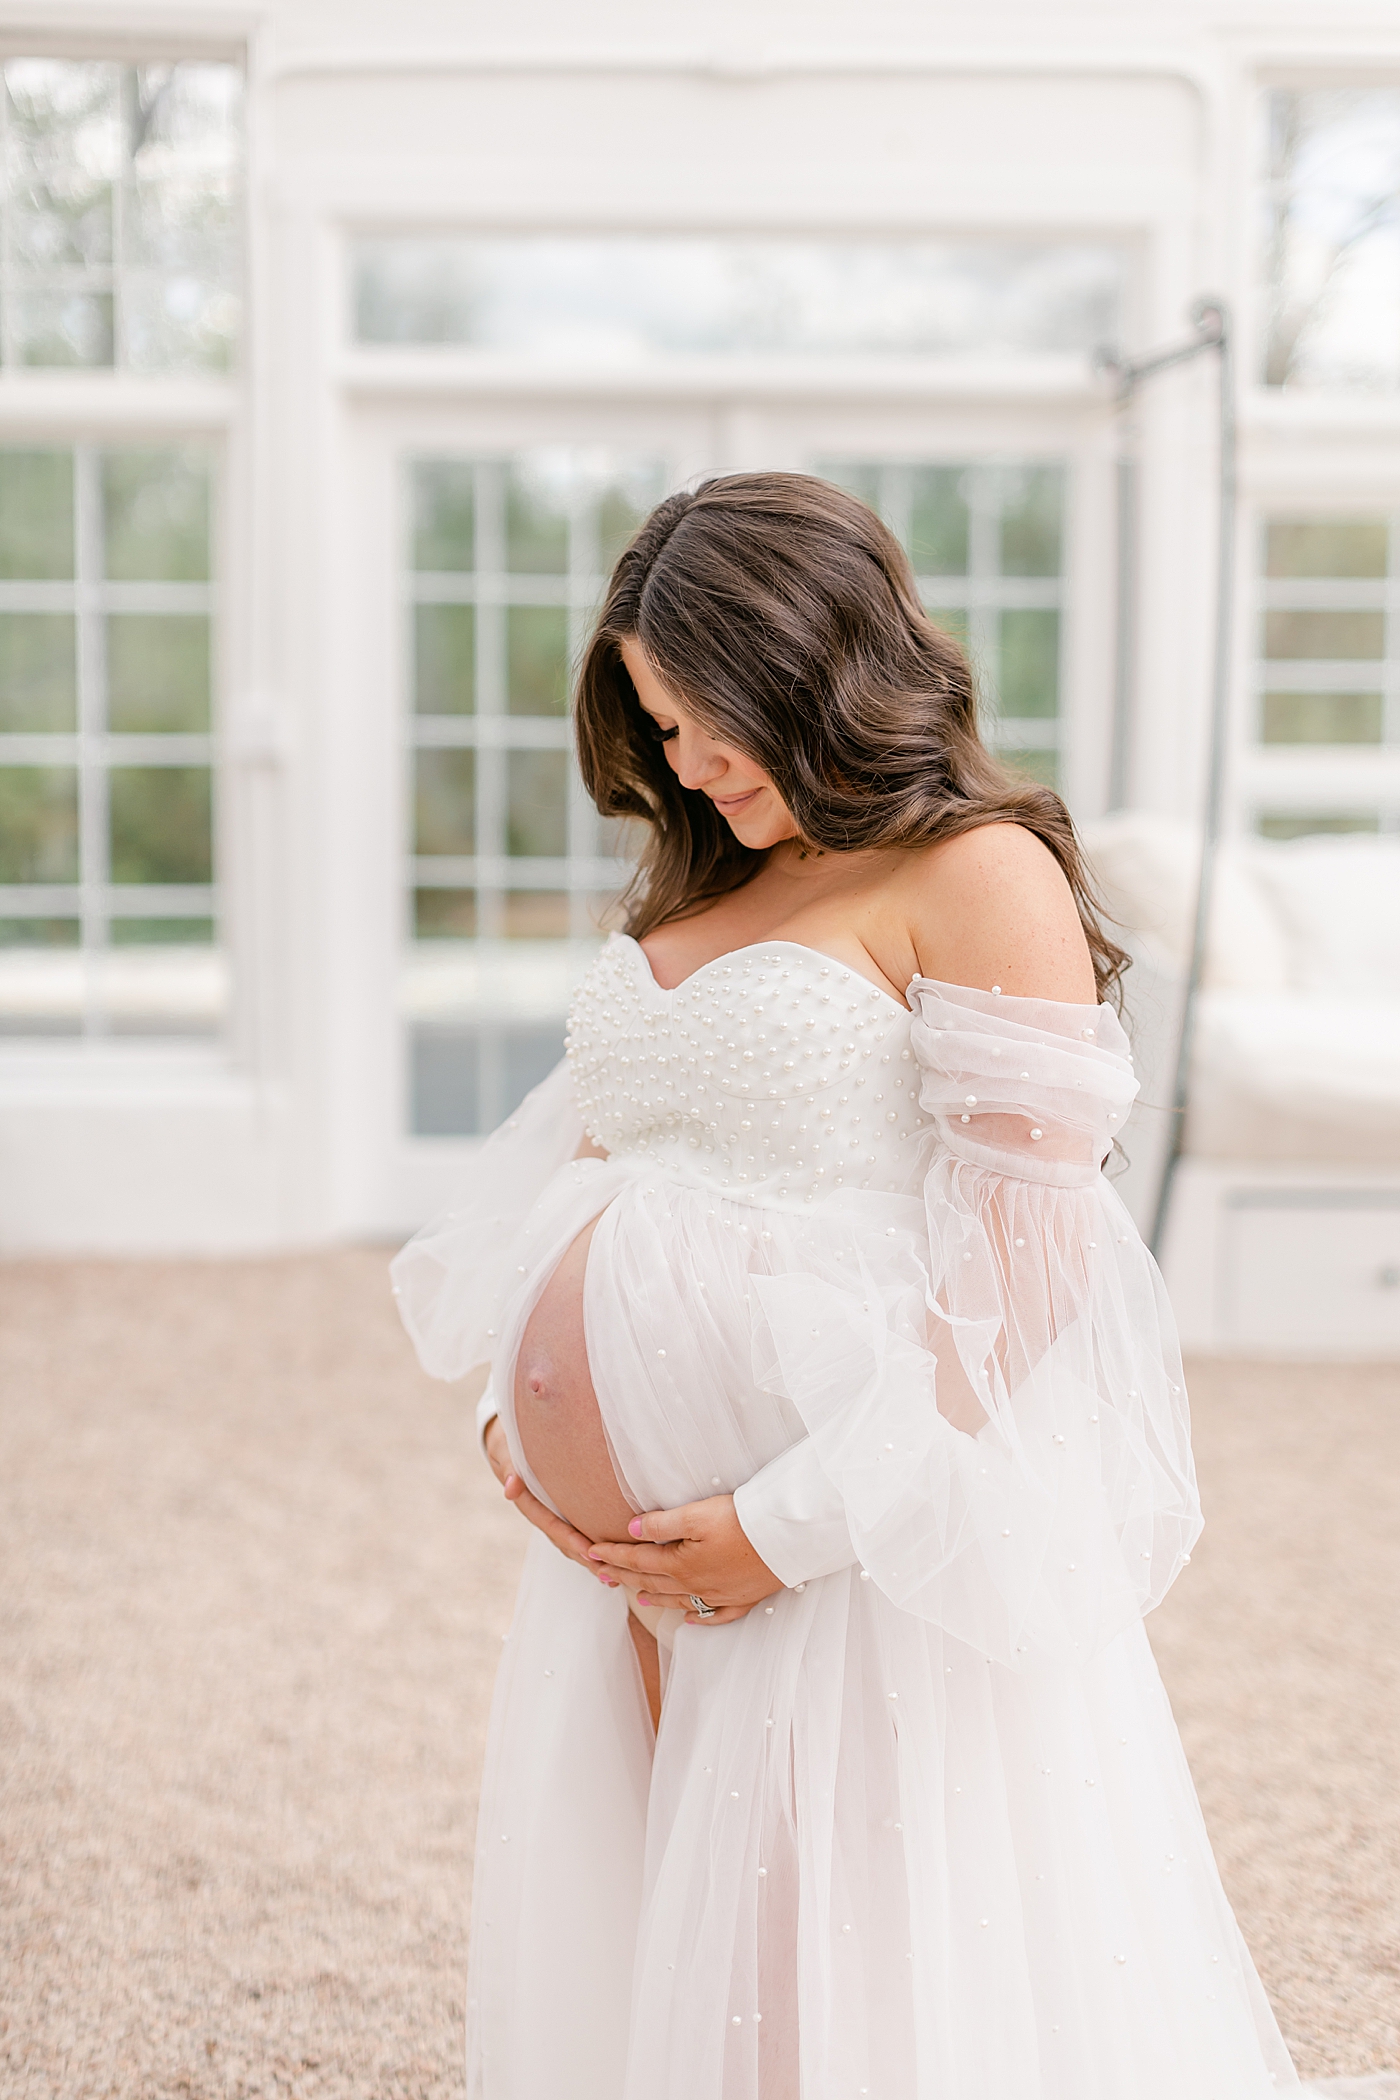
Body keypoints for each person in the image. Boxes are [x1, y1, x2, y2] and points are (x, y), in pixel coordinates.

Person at [392, 473, 1300, 2100]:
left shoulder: (972, 870)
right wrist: (509, 1419)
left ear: (815, 665)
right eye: (660, 729)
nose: (688, 765)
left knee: (833, 1962)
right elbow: (590, 1159)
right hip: (633, 1559)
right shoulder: (702, 875)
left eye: (710, 720)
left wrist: (793, 1523)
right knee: (673, 1930)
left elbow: (1030, 1265)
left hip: (845, 1538)